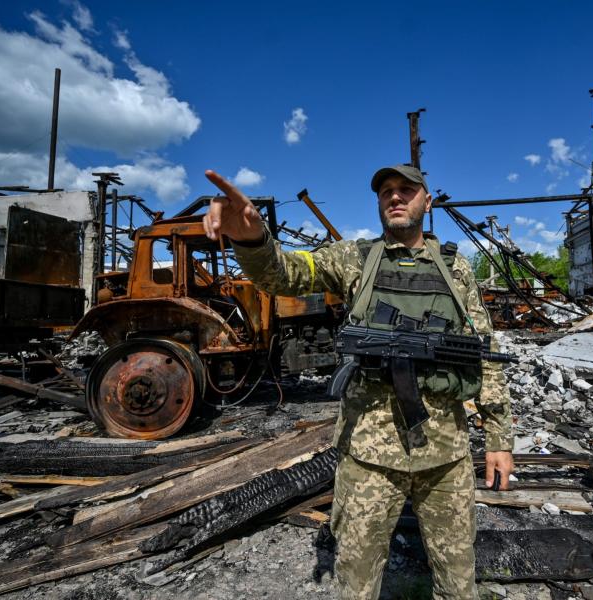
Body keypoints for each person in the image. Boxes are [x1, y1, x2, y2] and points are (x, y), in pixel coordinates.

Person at [202, 165, 514, 600]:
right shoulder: (353, 258)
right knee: (356, 584)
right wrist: (251, 239)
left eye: (407, 189)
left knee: (459, 582)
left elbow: (483, 353)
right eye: (387, 191)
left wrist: (498, 438)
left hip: (446, 456)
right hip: (368, 457)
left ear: (427, 200)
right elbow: (282, 276)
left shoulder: (456, 268)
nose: (396, 197)